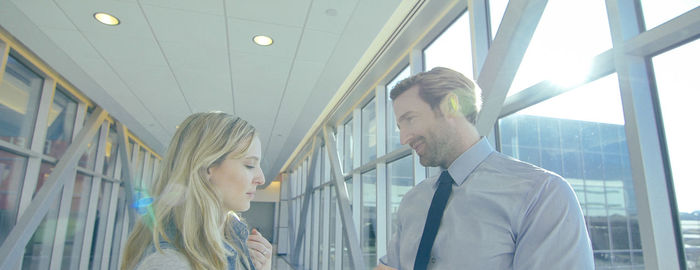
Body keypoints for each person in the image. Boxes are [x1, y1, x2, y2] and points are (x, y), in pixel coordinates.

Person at [377, 67, 594, 269]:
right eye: (400, 127)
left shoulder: (541, 193)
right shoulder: (414, 200)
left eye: (410, 119)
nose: (404, 138)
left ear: (452, 106)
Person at [121, 112, 272, 270]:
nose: (261, 179)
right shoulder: (171, 264)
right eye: (249, 165)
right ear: (207, 167)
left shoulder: (236, 239)